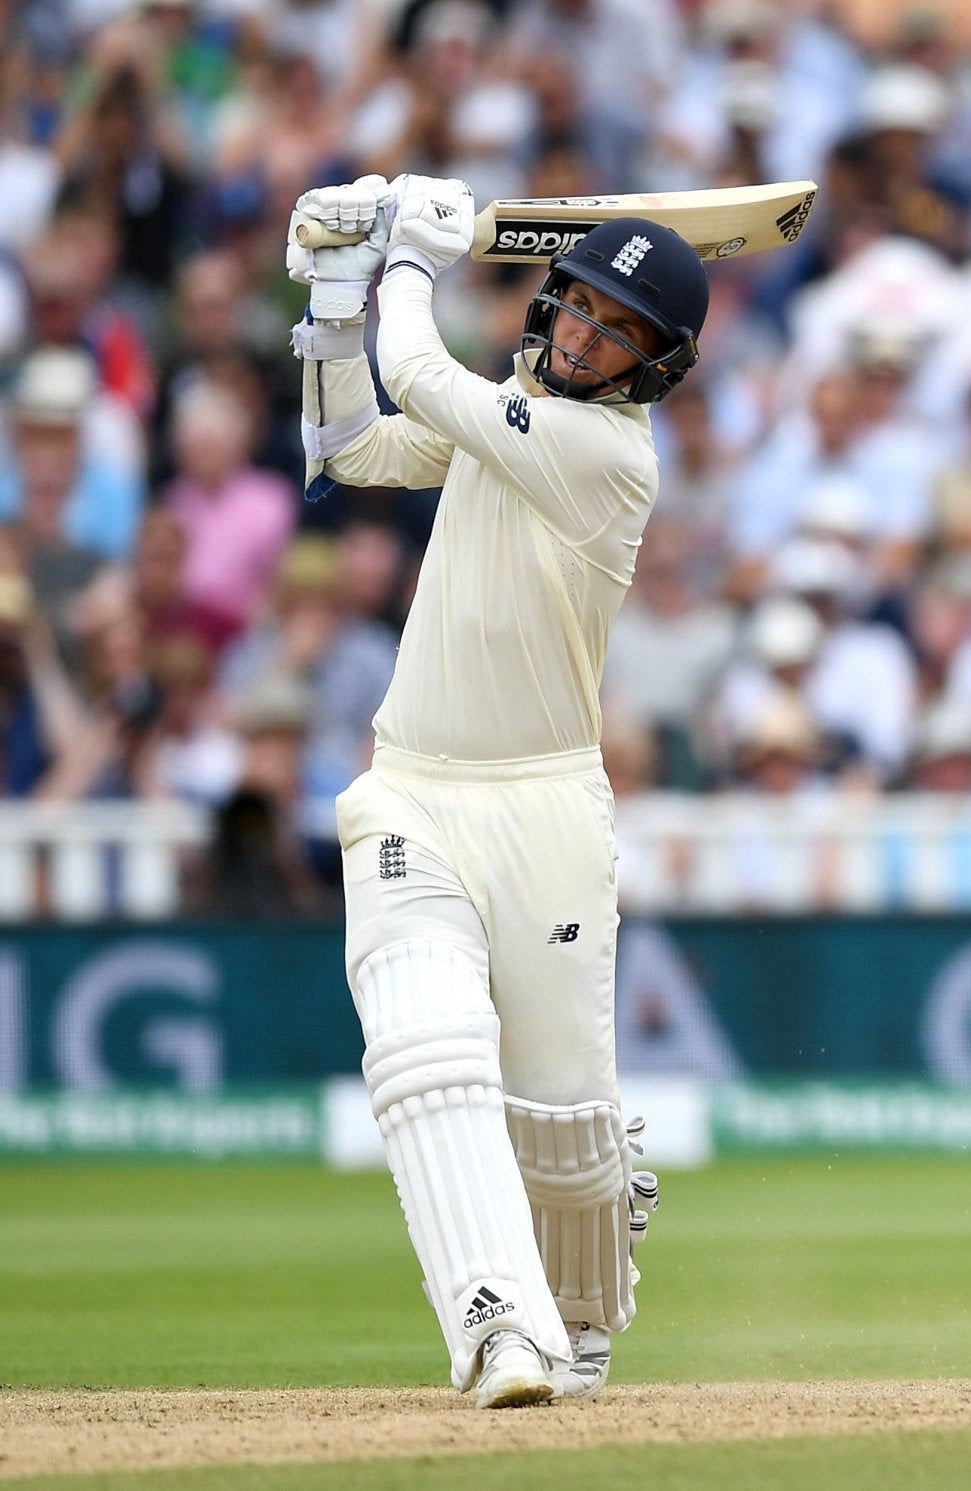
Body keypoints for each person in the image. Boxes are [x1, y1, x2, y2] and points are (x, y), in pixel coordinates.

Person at [286, 173, 705, 1406]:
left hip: (546, 812)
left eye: (611, 332)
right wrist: (327, 300)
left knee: (563, 1139)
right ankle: (492, 1325)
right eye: (572, 309)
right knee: (423, 1048)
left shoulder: (604, 455)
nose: (577, 338)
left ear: (650, 367)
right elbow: (357, 443)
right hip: (411, 786)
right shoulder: (514, 405)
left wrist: (402, 261)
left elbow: (419, 381)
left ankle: (575, 1295)